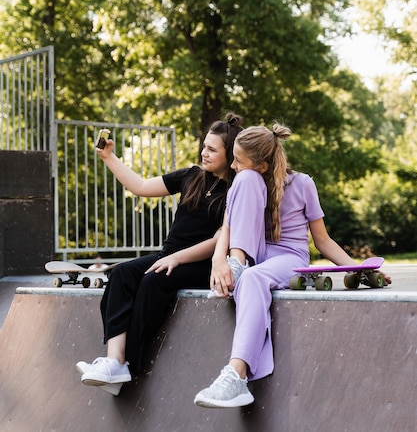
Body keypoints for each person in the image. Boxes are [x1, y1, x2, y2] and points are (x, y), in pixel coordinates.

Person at [194, 123, 392, 408]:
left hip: (288, 257)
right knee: (244, 189)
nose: (233, 165)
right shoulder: (248, 181)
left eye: (239, 160)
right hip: (253, 254)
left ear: (262, 164)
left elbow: (322, 241)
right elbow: (227, 226)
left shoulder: (302, 184)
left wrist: (360, 269)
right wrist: (219, 260)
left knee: (252, 280)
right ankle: (237, 265)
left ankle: (236, 376)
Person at [76, 112, 244, 394]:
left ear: (230, 154)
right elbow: (140, 187)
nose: (204, 152)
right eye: (204, 146)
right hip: (169, 253)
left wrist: (177, 259)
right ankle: (114, 361)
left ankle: (130, 364)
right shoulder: (191, 176)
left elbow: (218, 241)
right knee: (121, 274)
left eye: (212, 150)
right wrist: (109, 158)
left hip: (202, 263)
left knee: (153, 281)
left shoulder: (236, 189)